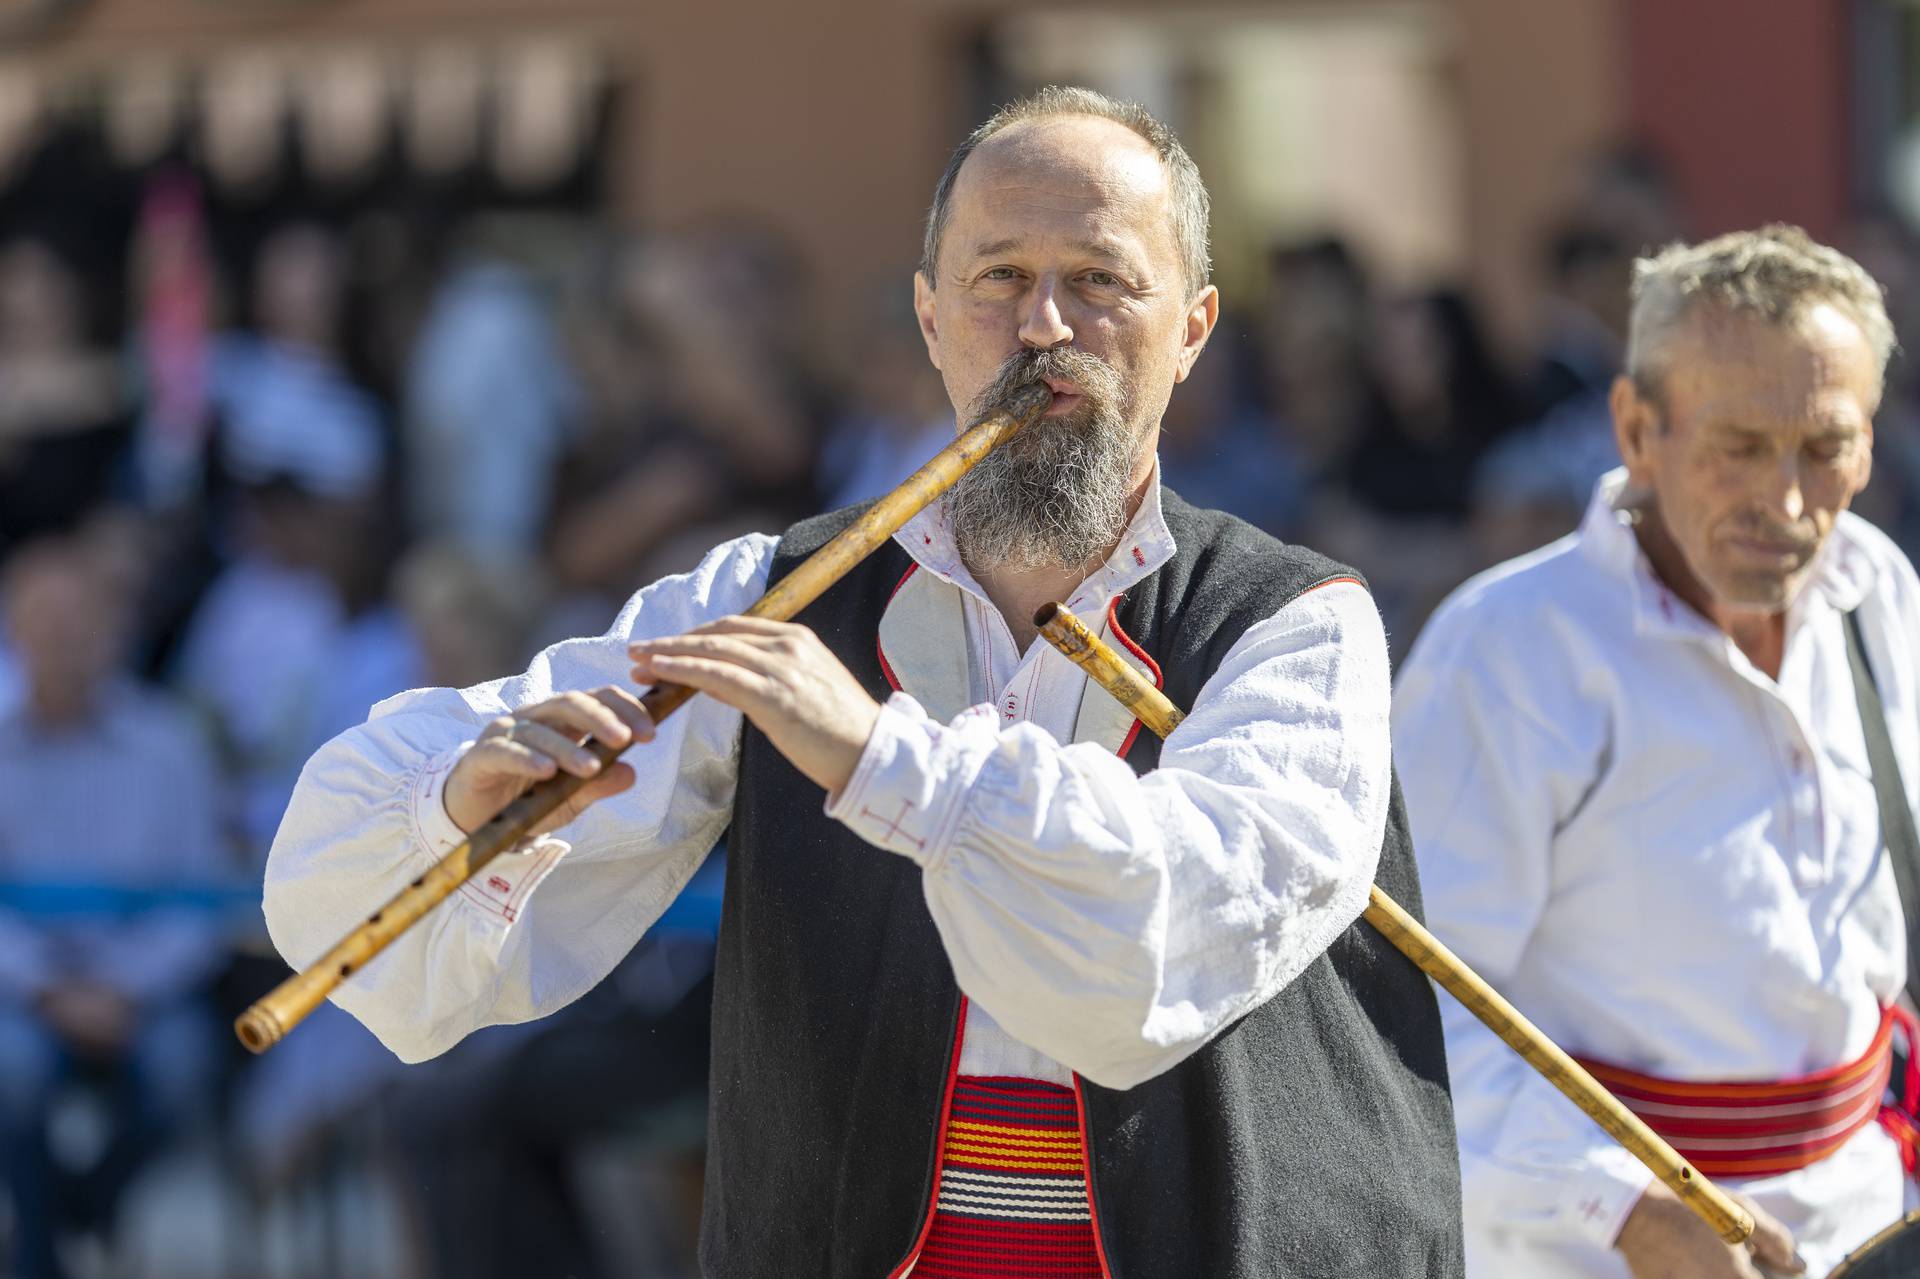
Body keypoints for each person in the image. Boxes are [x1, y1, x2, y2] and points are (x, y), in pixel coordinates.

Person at [265, 86, 1461, 1278]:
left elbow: (1159, 938)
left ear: (1194, 328)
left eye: (1100, 280)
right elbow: (382, 914)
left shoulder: (1298, 625)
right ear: (932, 319)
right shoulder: (776, 595)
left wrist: (881, 757)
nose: (1044, 325)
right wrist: (464, 803)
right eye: (997, 278)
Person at [1394, 225, 1917, 1279]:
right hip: (1585, 1252)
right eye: (1738, 444)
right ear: (1637, 427)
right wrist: (1633, 1209)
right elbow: (1399, 1013)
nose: (1785, 500)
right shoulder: (1507, 652)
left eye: (1825, 446)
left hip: (1869, 1220)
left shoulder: (1882, 595)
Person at [0, 534, 230, 1278]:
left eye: (83, 625)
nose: (67, 645)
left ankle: (81, 1208)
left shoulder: (170, 746)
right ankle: (43, 1255)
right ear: (15, 632)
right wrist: (47, 989)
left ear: (114, 633)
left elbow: (203, 896)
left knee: (184, 1068)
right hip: (22, 992)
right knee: (11, 1069)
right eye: (48, 625)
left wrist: (125, 988)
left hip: (142, 990)